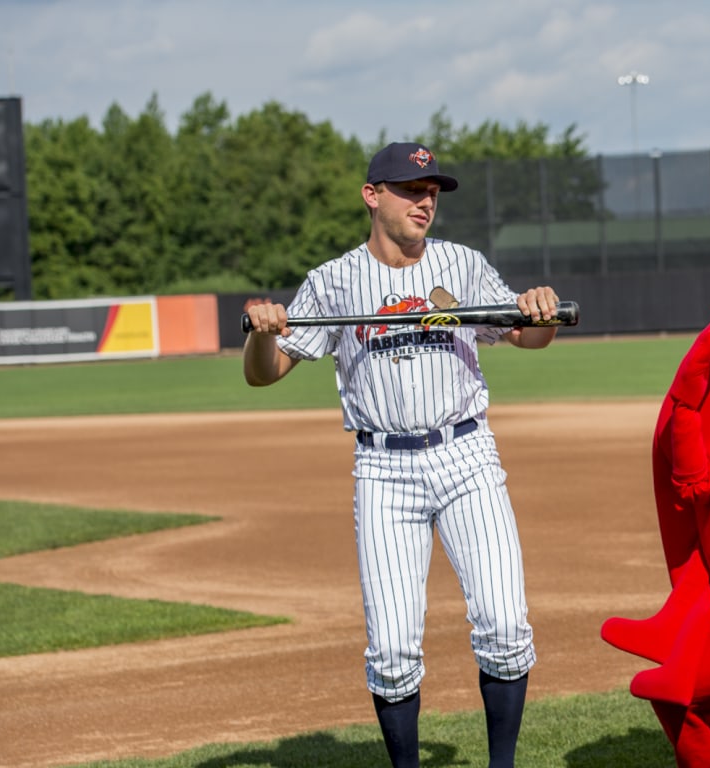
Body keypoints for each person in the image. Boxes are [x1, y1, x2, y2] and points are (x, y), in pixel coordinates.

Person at [243, 141, 561, 768]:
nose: (426, 201)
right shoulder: (334, 281)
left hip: (467, 455)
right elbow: (265, 372)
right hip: (384, 470)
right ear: (372, 195)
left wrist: (538, 309)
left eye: (433, 191)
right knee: (391, 649)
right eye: (412, 190)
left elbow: (529, 336)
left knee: (503, 625)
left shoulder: (462, 265)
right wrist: (263, 332)